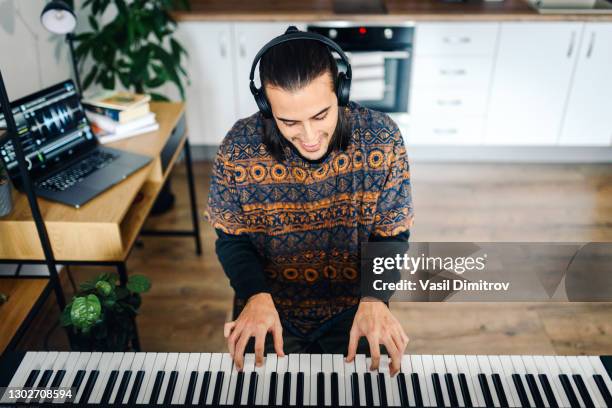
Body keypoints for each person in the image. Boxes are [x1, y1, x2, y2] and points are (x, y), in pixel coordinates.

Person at [205, 27, 414, 376]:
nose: (310, 136)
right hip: (267, 304)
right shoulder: (237, 148)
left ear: (341, 93)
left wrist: (376, 298)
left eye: (320, 115)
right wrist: (254, 295)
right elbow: (232, 239)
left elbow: (391, 235)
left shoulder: (382, 139)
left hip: (357, 304)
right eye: (289, 121)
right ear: (266, 108)